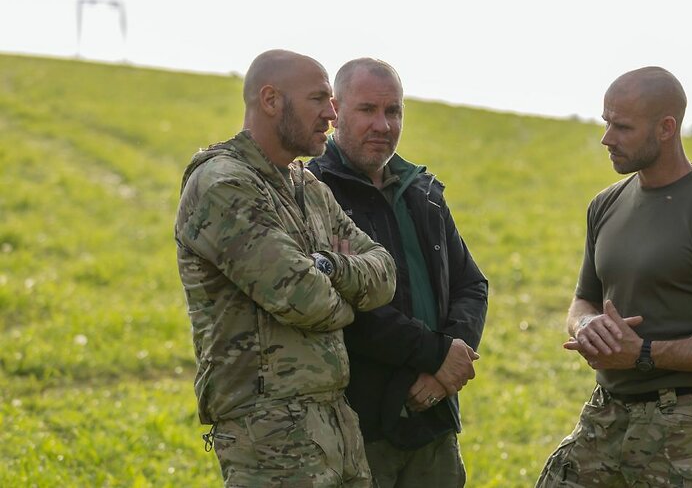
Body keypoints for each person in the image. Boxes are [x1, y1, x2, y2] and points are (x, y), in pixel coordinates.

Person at [536, 67, 692, 487]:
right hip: (606, 414)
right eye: (606, 122)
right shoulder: (604, 205)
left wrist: (645, 352)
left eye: (623, 127)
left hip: (688, 432)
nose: (607, 138)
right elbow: (583, 299)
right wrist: (586, 325)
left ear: (667, 128)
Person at [175, 49, 397, 487]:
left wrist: (327, 266)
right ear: (271, 100)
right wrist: (348, 300)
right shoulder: (223, 184)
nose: (332, 114)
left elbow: (385, 273)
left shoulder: (307, 185)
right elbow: (303, 296)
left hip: (336, 424)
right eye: (318, 99)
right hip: (268, 435)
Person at [307, 58, 488, 488]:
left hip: (433, 423)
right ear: (335, 111)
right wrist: (436, 355)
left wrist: (447, 366)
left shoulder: (423, 192)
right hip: (357, 427)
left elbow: (471, 284)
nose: (383, 125)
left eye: (393, 111)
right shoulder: (312, 191)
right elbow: (343, 308)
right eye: (367, 110)